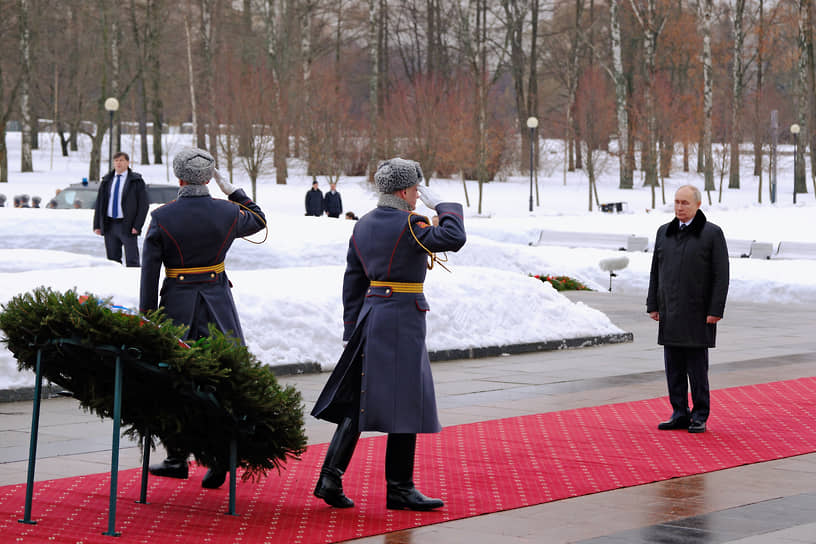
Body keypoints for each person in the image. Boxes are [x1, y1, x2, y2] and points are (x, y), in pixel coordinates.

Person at [311, 158, 466, 511]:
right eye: (414, 189)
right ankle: (399, 488)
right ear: (403, 190)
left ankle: (330, 476)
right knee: (406, 398)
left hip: (371, 315)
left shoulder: (363, 224)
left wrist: (352, 327)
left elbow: (353, 278)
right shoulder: (411, 223)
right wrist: (442, 205)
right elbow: (455, 237)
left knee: (358, 396)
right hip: (402, 319)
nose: (416, 196)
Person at [140, 147, 266, 489]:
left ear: (178, 178)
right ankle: (220, 459)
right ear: (208, 178)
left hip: (177, 305)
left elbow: (149, 272)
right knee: (221, 381)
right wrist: (233, 192)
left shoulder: (163, 217)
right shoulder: (227, 212)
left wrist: (147, 317)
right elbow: (259, 219)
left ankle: (177, 457)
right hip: (217, 303)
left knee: (174, 381)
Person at [647, 184, 729, 434]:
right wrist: (653, 303)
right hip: (670, 311)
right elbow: (655, 271)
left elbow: (721, 275)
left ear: (698, 205)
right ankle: (679, 412)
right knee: (673, 367)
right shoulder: (664, 232)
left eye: (685, 203)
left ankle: (700, 414)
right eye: (677, 202)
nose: (680, 207)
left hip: (698, 313)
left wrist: (715, 309)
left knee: (696, 368)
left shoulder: (711, 233)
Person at [93, 151, 149, 267]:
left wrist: (137, 226)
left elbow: (143, 205)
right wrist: (97, 225)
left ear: (128, 163)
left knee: (132, 260)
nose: (119, 163)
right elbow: (100, 204)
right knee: (113, 260)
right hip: (110, 224)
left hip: (127, 225)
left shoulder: (136, 181)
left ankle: (133, 282)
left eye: (121, 160)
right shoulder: (107, 180)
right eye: (116, 161)